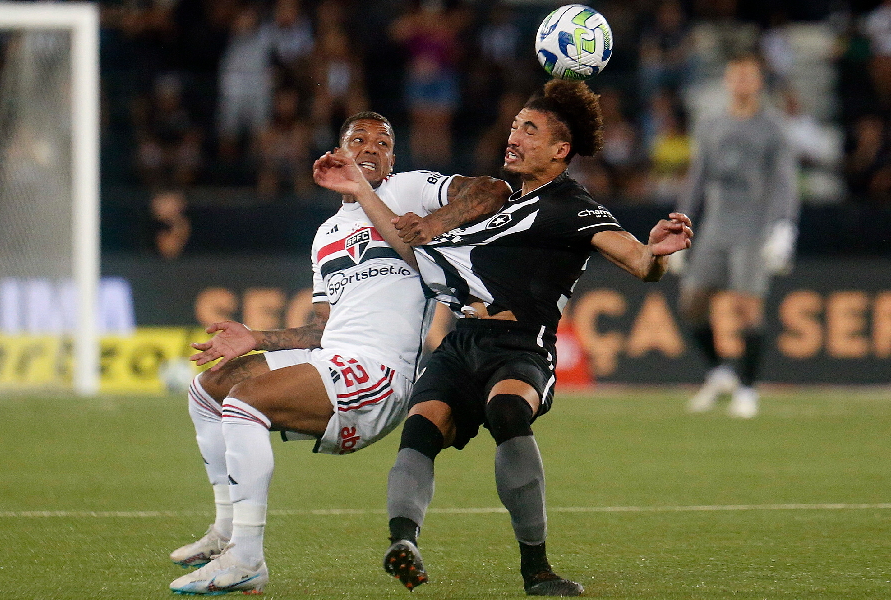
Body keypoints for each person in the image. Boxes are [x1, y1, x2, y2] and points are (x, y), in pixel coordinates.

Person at [313, 80, 693, 597]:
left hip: (520, 345)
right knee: (422, 430)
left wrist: (657, 253)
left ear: (560, 150)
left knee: (508, 411)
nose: (513, 137)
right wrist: (361, 193)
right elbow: (414, 252)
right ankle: (403, 542)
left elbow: (637, 262)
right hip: (463, 340)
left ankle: (537, 570)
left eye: (529, 130)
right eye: (514, 126)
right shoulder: (501, 204)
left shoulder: (571, 205)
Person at [168, 111, 510, 595]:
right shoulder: (326, 235)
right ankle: (226, 531)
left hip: (379, 374)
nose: (371, 148)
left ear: (393, 159)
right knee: (207, 390)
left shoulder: (410, 190)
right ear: (341, 151)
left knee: (245, 403)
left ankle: (248, 559)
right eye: (358, 140)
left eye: (383, 142)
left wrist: (433, 225)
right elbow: (320, 329)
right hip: (332, 358)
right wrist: (256, 338)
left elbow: (493, 191)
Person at [674, 53, 799, 418]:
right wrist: (681, 224)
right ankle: (720, 372)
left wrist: (783, 226)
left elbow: (783, 182)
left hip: (754, 226)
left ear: (759, 82)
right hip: (716, 224)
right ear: (728, 80)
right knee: (692, 303)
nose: (742, 82)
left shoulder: (773, 127)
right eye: (736, 75)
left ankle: (748, 389)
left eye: (749, 76)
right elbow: (697, 179)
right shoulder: (712, 125)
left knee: (748, 308)